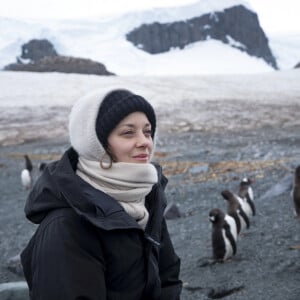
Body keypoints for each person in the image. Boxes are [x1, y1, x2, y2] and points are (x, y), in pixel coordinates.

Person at [21, 88, 182, 300]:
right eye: (128, 132)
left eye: (148, 131)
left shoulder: (147, 199)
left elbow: (167, 280)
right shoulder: (66, 226)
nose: (145, 142)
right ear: (96, 144)